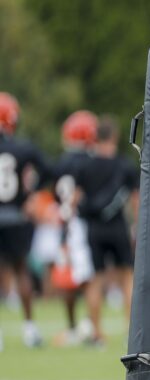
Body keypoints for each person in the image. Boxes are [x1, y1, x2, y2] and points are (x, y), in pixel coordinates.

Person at [73, 115, 139, 344]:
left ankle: (97, 333)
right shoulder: (124, 165)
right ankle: (130, 330)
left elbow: (76, 198)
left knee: (96, 280)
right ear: (115, 137)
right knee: (127, 278)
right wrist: (138, 226)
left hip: (94, 228)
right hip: (118, 228)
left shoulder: (85, 166)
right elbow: (135, 199)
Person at [0, 92, 48, 349]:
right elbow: (49, 170)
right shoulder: (22, 148)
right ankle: (30, 329)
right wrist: (29, 193)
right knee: (22, 271)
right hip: (16, 216)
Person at [51, 110, 99, 344]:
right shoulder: (91, 162)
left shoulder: (61, 163)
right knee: (89, 278)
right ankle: (92, 327)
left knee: (67, 279)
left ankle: (72, 327)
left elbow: (54, 195)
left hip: (65, 225)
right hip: (83, 223)